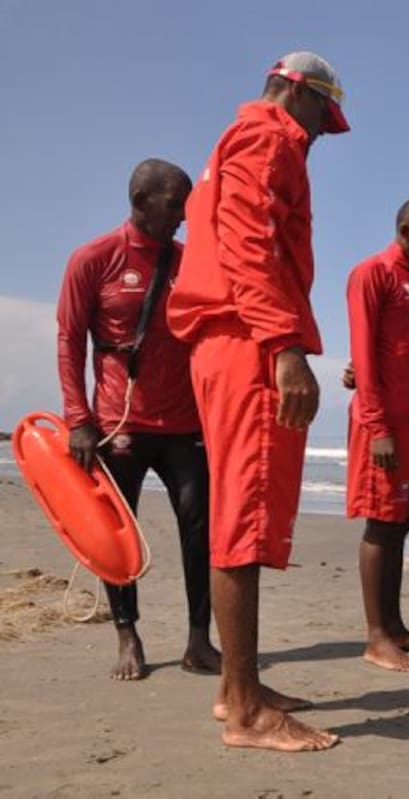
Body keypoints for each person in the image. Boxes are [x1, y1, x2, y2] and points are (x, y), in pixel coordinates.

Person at [166, 51, 349, 752]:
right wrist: (283, 346)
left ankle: (235, 688)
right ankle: (247, 712)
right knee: (242, 520)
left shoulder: (235, 139)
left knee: (236, 512)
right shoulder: (270, 136)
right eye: (324, 119)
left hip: (231, 338)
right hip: (247, 341)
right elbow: (248, 243)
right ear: (299, 94)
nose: (321, 135)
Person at [56, 159, 220, 681]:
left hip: (185, 425)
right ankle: (128, 634)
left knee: (200, 528)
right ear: (140, 200)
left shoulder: (190, 261)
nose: (183, 216)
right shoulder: (93, 259)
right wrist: (78, 419)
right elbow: (69, 341)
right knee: (115, 535)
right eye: (175, 205)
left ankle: (199, 640)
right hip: (117, 423)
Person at [346, 197, 409, 673]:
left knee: (402, 523)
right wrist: (377, 426)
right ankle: (376, 637)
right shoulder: (373, 273)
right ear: (405, 230)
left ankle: (395, 625)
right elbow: (364, 353)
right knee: (381, 525)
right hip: (382, 425)